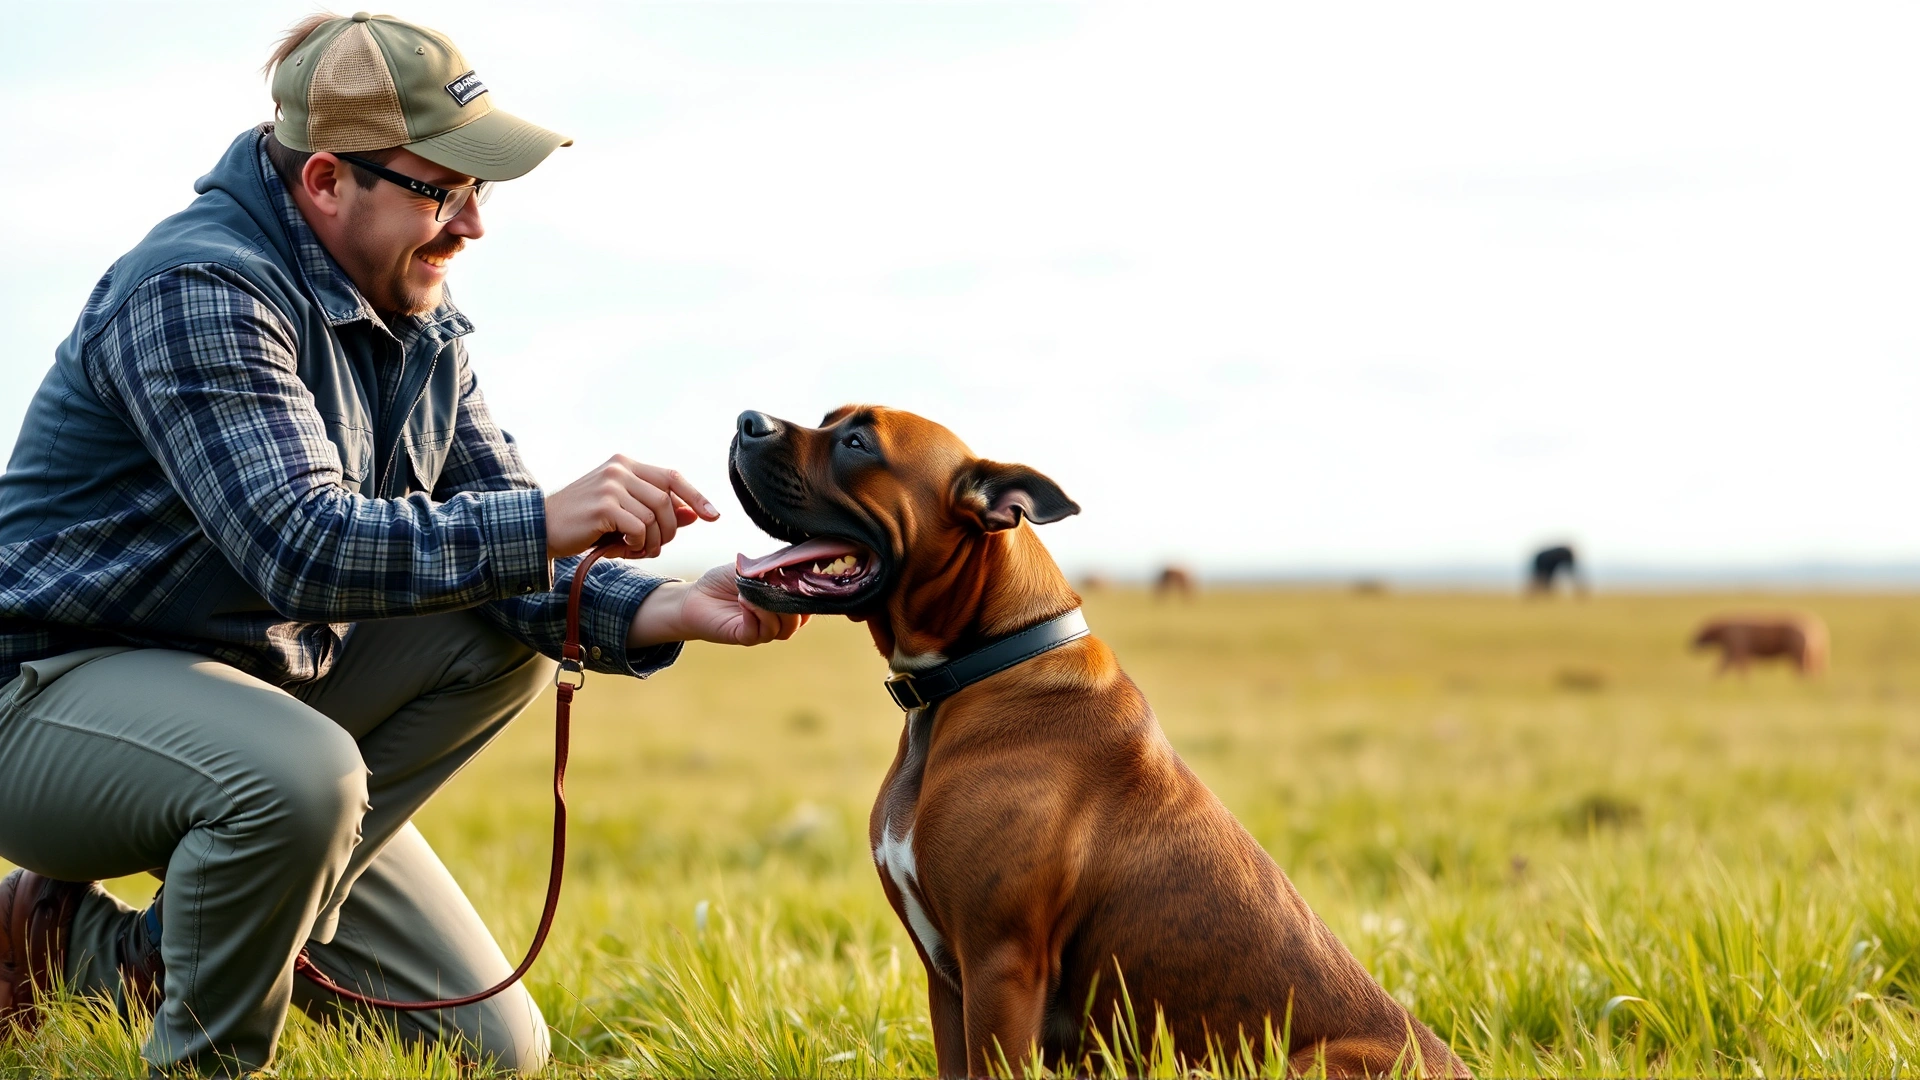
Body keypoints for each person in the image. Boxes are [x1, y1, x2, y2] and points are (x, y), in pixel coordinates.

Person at [0, 11, 804, 1075]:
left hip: (241, 702)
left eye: (482, 190)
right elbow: (301, 545)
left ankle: (91, 951)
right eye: (442, 189)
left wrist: (668, 606)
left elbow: (498, 556)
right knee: (299, 778)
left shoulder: (417, 311)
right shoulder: (197, 289)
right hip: (44, 696)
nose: (473, 225)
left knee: (489, 1043)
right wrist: (548, 516)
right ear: (329, 181)